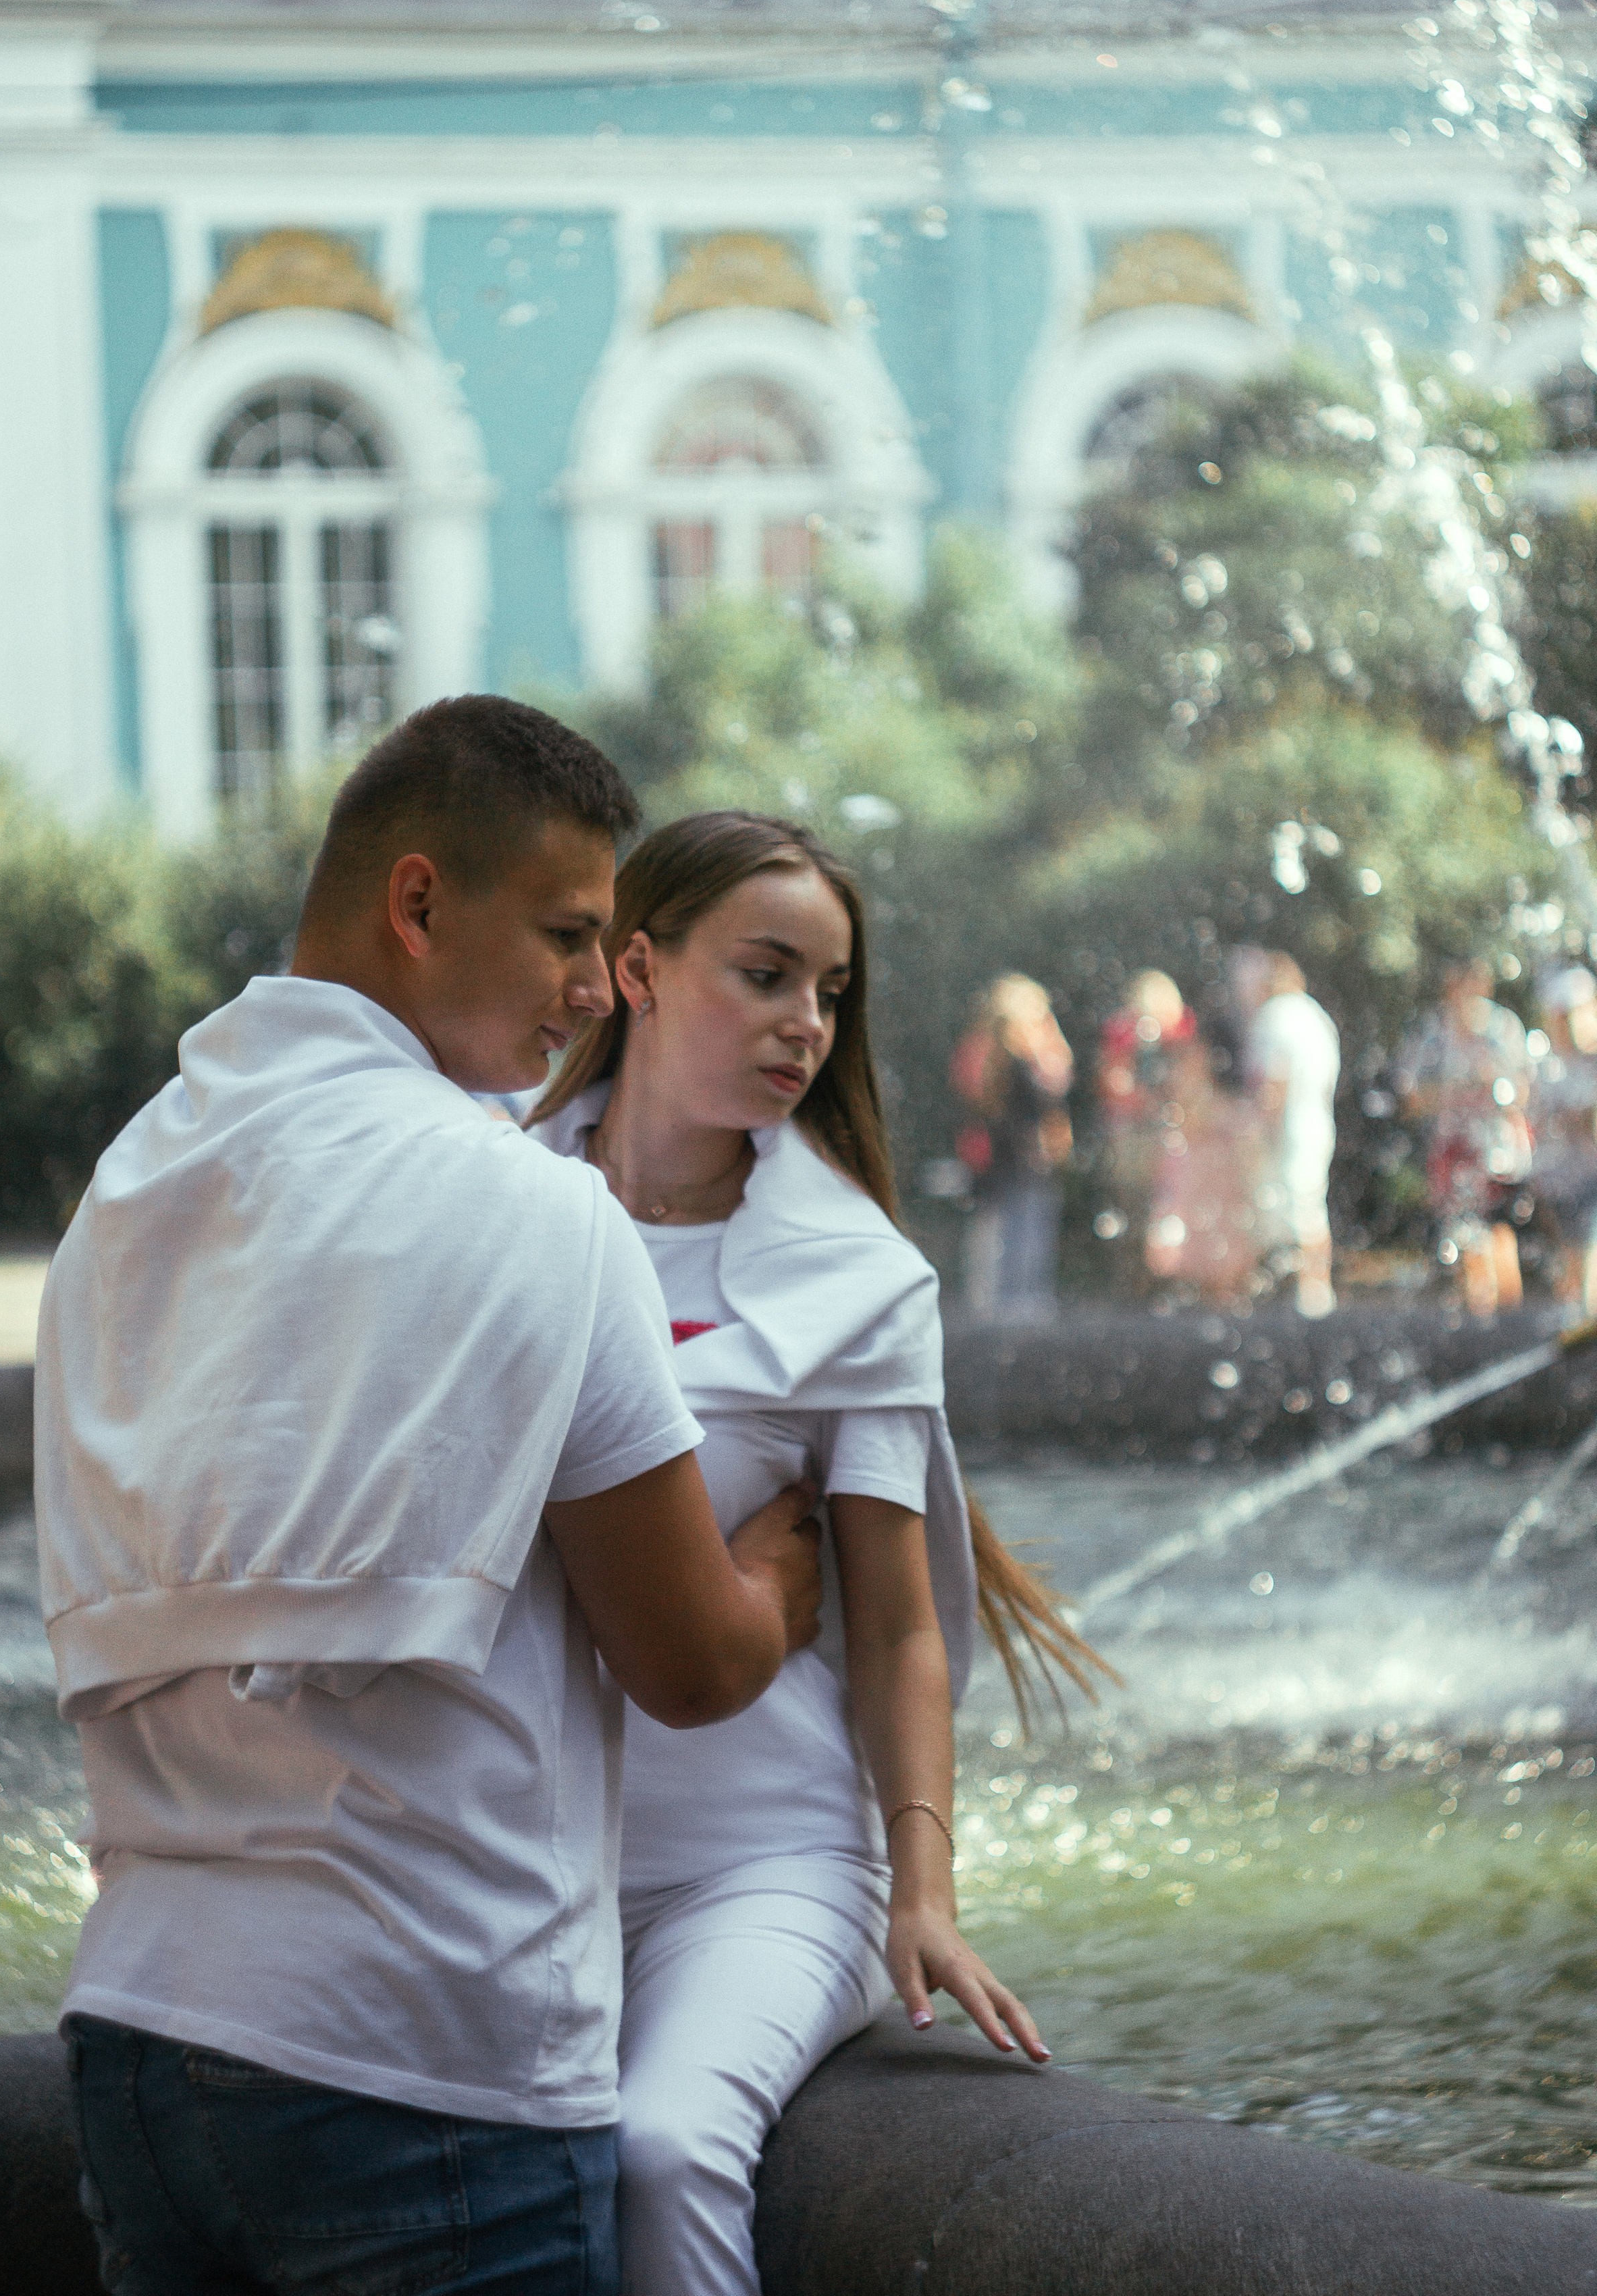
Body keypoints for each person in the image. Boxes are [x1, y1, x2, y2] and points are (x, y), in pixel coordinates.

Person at [34, 700, 824, 2296]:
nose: (599, 990)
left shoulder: (125, 1193)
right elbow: (687, 1660)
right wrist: (787, 1570)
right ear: (415, 903)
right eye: (564, 932)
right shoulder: (538, 1215)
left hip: (134, 2042)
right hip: (417, 2058)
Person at [528, 812, 1113, 2296]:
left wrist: (921, 1895)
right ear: (639, 970)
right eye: (767, 974)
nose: (805, 1024)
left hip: (764, 1865)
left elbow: (903, 1625)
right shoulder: (497, 1204)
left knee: (660, 2152)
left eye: (829, 992)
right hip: (517, 1856)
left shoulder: (856, 1277)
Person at [1394, 958, 1533, 1318]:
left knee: (1500, 1235)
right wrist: (1459, 1090)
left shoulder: (1503, 1029)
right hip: (1451, 1152)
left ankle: (1507, 1323)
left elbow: (1523, 1092)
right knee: (1462, 1239)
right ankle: (1479, 1325)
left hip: (1497, 1153)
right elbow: (1407, 1097)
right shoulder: (1430, 1031)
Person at [953, 974, 1075, 1320]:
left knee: (1017, 1224)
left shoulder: (1001, 1048)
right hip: (1011, 1153)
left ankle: (1009, 1300)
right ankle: (1010, 1302)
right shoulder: (1004, 1052)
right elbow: (1046, 1091)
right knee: (1014, 1226)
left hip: (1011, 1153)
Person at [1144, 1016, 1269, 1306]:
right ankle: (1220, 1304)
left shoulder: (1201, 1074)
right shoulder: (1227, 1087)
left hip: (1209, 1171)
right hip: (1213, 1171)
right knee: (1214, 1240)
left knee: (1214, 1240)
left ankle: (1218, 1303)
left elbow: (1186, 1118)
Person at [1246, 953, 1341, 1317]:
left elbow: (1275, 1081)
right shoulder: (1316, 1016)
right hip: (1317, 1123)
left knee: (1289, 1212)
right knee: (1309, 1205)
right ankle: (1316, 1289)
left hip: (1286, 1131)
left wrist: (1258, 1129)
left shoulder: (1275, 1017)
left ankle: (1303, 1292)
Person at [1525, 964, 1597, 1315]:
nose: (1568, 1025)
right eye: (1560, 1017)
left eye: (1576, 1014)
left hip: (1591, 1188)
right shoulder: (1547, 1070)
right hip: (1564, 1188)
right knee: (1572, 1279)